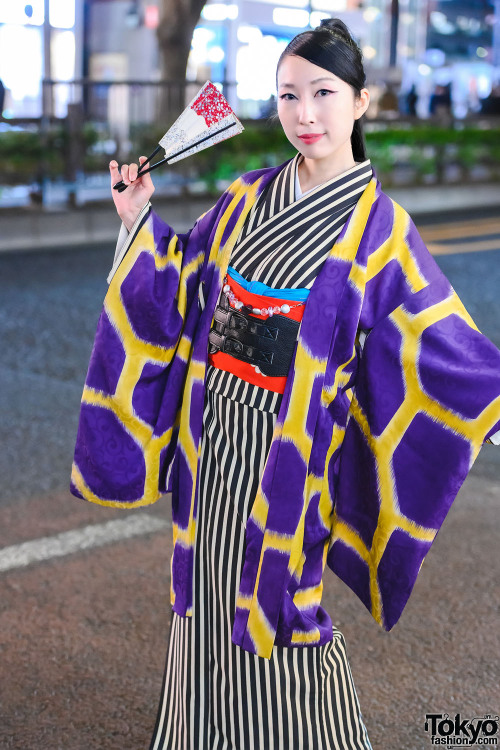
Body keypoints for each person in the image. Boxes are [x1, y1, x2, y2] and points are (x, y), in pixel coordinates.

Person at [71, 18, 500, 750]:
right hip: (212, 443)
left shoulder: (378, 228)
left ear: (361, 102)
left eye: (324, 93)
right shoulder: (243, 197)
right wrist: (137, 217)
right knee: (203, 596)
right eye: (288, 95)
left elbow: (442, 346)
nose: (305, 114)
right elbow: (178, 283)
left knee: (282, 608)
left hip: (291, 452)